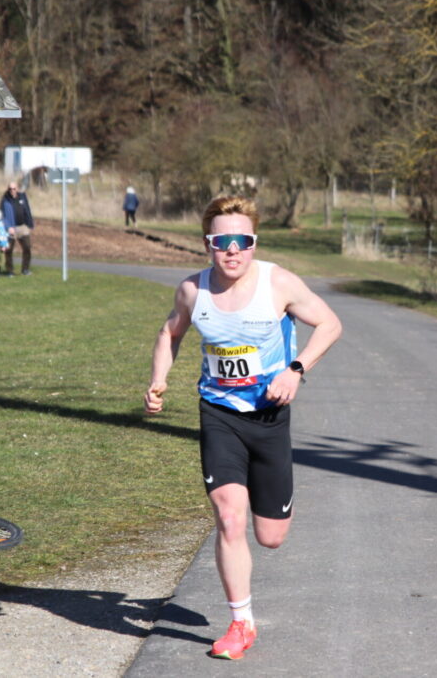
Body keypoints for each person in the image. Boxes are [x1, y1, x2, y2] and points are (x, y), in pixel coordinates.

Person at [144, 195, 342, 661]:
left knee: (271, 536)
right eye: (222, 241)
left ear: (254, 242)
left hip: (270, 418)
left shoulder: (278, 283)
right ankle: (241, 622)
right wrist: (158, 380)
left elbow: (330, 324)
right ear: (207, 244)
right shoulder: (193, 291)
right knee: (229, 515)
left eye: (242, 240)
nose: (232, 250)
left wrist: (295, 369)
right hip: (220, 414)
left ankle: (270, 497)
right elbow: (170, 332)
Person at [2, 181, 34, 276]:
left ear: (17, 189)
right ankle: (10, 271)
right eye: (10, 189)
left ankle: (25, 269)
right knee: (8, 250)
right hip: (11, 228)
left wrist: (29, 223)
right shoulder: (5, 199)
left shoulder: (22, 197)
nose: (12, 190)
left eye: (14, 188)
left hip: (22, 226)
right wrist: (8, 227)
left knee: (27, 247)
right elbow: (2, 215)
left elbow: (27, 209)